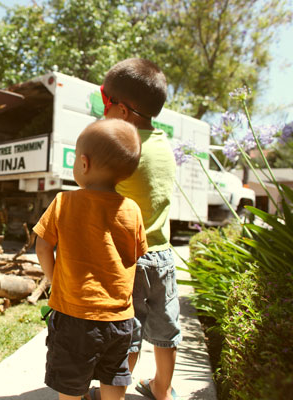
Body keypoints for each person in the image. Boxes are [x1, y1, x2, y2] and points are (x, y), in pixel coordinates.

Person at [34, 119, 148, 400]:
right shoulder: (131, 209)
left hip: (75, 316)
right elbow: (135, 255)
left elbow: (42, 246)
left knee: (71, 386)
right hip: (120, 319)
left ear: (83, 164)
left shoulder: (64, 202)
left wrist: (53, 279)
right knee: (113, 381)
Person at [93, 58, 180, 400]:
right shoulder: (163, 147)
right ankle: (161, 388)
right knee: (165, 328)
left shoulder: (122, 151)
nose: (103, 111)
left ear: (125, 111)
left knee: (126, 330)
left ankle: (114, 392)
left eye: (106, 102)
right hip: (163, 258)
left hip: (128, 260)